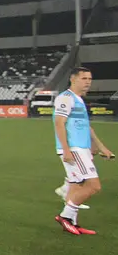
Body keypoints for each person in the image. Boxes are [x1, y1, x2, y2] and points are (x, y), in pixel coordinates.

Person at [52, 67, 113, 236]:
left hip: (82, 148)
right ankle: (65, 217)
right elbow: (59, 123)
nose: (88, 82)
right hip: (74, 149)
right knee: (93, 186)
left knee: (75, 185)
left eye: (90, 79)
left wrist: (100, 147)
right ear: (73, 79)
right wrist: (66, 149)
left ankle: (72, 222)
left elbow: (87, 127)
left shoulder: (78, 99)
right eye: (84, 78)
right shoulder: (66, 98)